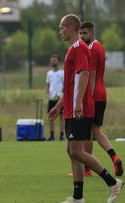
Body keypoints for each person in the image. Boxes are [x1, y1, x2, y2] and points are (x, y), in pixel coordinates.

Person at [49, 14, 123, 203]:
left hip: (79, 109)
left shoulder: (80, 47)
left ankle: (112, 182)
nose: (60, 31)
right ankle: (78, 198)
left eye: (62, 28)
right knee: (71, 151)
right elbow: (71, 83)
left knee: (77, 151)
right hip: (71, 109)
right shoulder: (72, 50)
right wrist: (58, 106)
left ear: (71, 28)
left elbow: (84, 74)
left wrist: (79, 103)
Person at [79, 21, 123, 177]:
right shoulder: (100, 46)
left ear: (91, 33)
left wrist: (87, 99)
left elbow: (91, 75)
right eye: (80, 33)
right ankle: (114, 157)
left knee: (87, 133)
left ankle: (86, 169)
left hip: (94, 95)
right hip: (102, 93)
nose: (82, 36)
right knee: (95, 131)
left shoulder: (91, 48)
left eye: (84, 33)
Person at [45, 54, 65, 141]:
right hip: (52, 98)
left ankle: (61, 135)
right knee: (51, 117)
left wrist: (64, 94)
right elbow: (47, 85)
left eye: (54, 60)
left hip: (60, 98)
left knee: (62, 117)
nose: (53, 61)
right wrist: (47, 94)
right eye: (52, 60)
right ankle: (52, 135)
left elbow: (65, 85)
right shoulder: (49, 73)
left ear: (58, 61)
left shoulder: (62, 73)